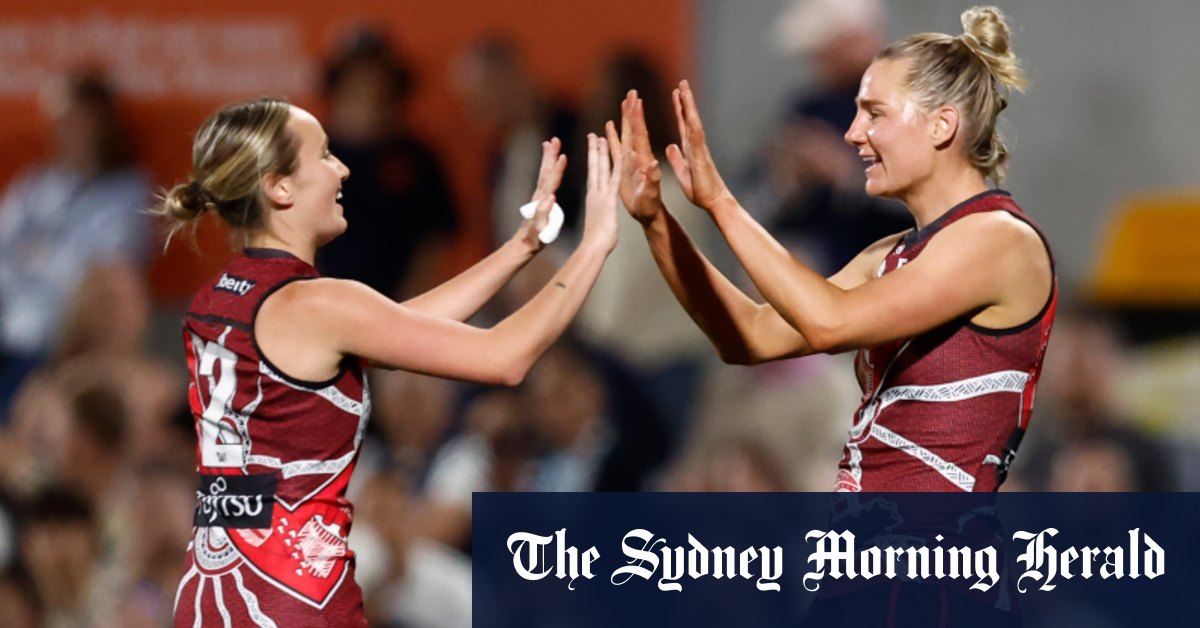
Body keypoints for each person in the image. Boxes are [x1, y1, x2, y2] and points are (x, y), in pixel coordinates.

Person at [154, 98, 620, 626]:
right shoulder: (322, 304)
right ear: (279, 187)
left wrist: (522, 246)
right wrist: (593, 248)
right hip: (291, 595)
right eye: (325, 156)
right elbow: (506, 357)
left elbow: (399, 328)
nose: (342, 169)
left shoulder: (218, 299)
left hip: (214, 587)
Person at [611, 5, 1056, 495]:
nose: (852, 133)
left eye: (874, 114)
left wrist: (721, 202)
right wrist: (657, 222)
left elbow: (828, 322)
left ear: (941, 126)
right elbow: (750, 338)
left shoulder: (998, 238)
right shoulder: (889, 253)